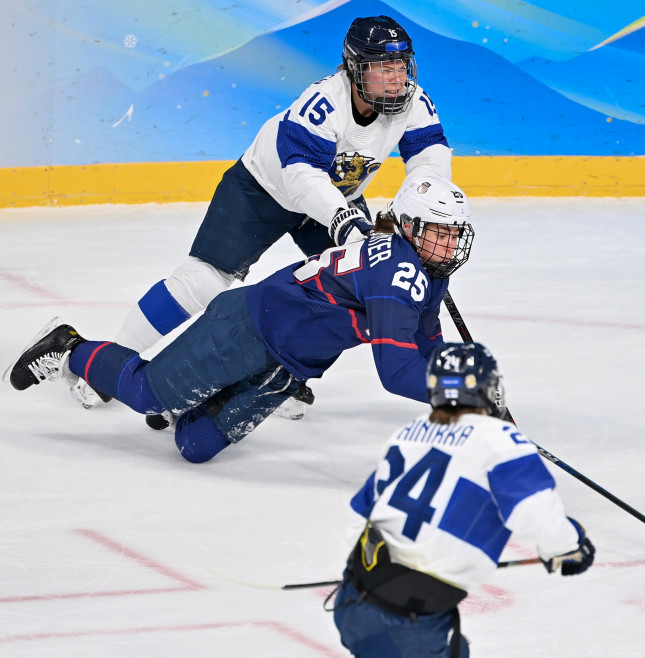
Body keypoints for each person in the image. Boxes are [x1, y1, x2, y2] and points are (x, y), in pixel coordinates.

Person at [69, 14, 452, 416]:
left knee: (346, 298)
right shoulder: (324, 103)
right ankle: (112, 360)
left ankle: (272, 375)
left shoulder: (412, 101)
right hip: (264, 189)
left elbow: (429, 156)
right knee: (202, 281)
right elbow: (301, 173)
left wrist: (417, 209)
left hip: (336, 199)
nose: (395, 79)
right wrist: (343, 220)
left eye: (400, 67)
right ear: (355, 69)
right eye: (383, 68)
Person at [5, 176, 473, 464]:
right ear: (409, 226)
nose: (448, 246)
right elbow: (397, 373)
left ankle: (192, 394)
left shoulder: (427, 273)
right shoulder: (397, 269)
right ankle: (69, 346)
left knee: (195, 449)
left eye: (454, 234)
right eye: (438, 232)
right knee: (147, 393)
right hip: (248, 327)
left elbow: (426, 346)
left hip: (289, 364)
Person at [330, 342, 596, 658]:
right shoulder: (501, 439)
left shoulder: (408, 433)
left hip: (352, 600)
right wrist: (567, 547)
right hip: (407, 622)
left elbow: (359, 512)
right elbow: (534, 511)